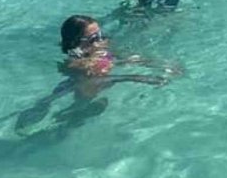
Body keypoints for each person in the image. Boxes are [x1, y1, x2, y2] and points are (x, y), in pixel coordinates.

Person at [14, 15, 177, 132]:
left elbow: (127, 57)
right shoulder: (77, 62)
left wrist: (159, 64)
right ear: (77, 43)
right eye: (93, 38)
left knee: (91, 103)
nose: (100, 40)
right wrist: (140, 78)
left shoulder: (102, 47)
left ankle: (69, 115)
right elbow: (95, 75)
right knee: (81, 105)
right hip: (81, 85)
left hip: (99, 83)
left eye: (100, 35)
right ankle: (62, 120)